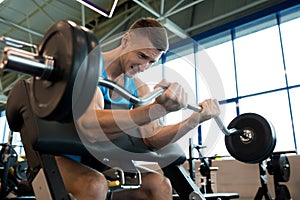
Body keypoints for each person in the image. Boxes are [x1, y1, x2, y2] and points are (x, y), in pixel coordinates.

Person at [55, 17, 220, 200]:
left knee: (159, 185)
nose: (144, 67)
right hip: (64, 157)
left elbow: (151, 138)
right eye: (141, 56)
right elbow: (90, 129)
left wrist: (194, 120)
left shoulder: (139, 88)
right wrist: (157, 109)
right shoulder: (89, 67)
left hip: (101, 162)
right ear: (126, 40)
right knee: (95, 185)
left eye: (151, 62)